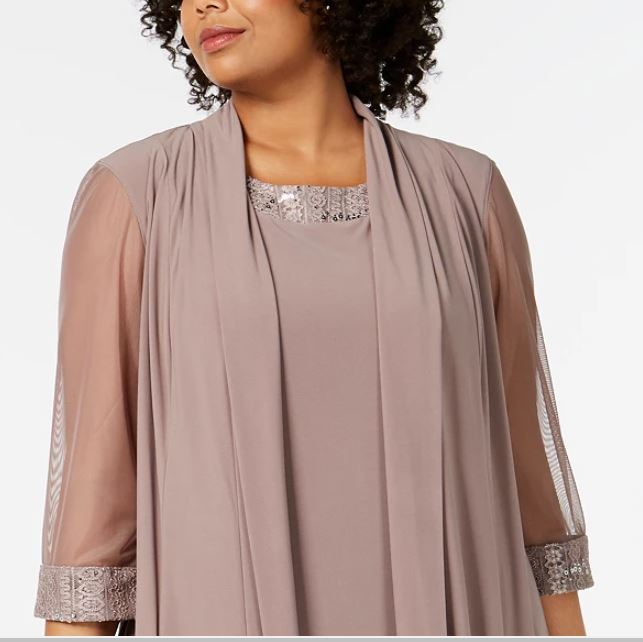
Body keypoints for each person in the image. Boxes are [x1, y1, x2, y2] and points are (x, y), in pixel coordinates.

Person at [34, 0, 594, 636]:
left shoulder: (467, 192)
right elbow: (94, 506)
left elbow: (528, 473)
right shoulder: (136, 195)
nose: (204, 4)